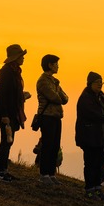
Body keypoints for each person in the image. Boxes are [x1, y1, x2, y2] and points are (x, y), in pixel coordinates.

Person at [0, 44, 30, 182]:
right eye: (21, 56)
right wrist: (4, 115)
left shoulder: (14, 71)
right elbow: (2, 95)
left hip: (12, 112)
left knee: (9, 141)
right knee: (6, 141)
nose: (23, 59)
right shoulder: (7, 72)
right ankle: (0, 172)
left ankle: (4, 170)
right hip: (7, 114)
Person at [75, 71, 104, 200]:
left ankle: (97, 188)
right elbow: (91, 114)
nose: (100, 85)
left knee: (99, 162)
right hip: (88, 135)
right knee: (90, 162)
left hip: (99, 135)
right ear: (90, 83)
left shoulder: (101, 96)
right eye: (97, 82)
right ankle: (89, 189)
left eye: (101, 82)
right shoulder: (86, 97)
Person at [36, 54, 68, 185]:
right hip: (47, 117)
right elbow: (54, 97)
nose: (58, 66)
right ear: (49, 65)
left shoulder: (54, 82)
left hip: (56, 117)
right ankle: (44, 174)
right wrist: (58, 95)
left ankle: (51, 173)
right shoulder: (43, 81)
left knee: (54, 146)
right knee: (48, 145)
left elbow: (65, 98)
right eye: (56, 64)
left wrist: (57, 90)